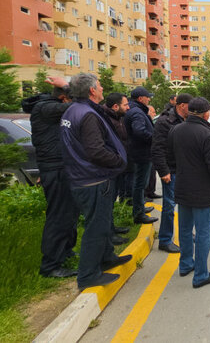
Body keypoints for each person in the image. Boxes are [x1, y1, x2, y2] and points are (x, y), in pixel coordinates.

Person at [60, 73, 132, 289]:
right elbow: (96, 151)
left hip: (82, 176)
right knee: (96, 227)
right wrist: (118, 160)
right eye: (99, 86)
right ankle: (88, 275)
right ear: (92, 90)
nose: (102, 89)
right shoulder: (87, 114)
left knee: (102, 222)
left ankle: (107, 257)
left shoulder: (73, 109)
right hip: (93, 179)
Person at [23, 76, 78, 279]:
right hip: (55, 169)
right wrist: (66, 85)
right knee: (59, 216)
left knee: (70, 213)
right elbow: (78, 105)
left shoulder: (51, 107)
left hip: (61, 166)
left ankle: (65, 252)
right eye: (69, 97)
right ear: (63, 98)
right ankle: (50, 265)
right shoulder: (45, 108)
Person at [167, 97, 210, 288]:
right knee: (203, 232)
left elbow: (170, 158)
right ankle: (200, 274)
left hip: (182, 186)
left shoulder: (176, 130)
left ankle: (185, 264)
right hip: (202, 191)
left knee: (184, 229)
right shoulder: (206, 134)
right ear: (206, 113)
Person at [151, 93, 193, 253]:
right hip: (171, 171)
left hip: (185, 170)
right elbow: (157, 149)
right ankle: (165, 240)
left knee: (187, 205)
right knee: (169, 206)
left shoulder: (186, 120)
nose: (192, 109)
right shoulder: (164, 122)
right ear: (182, 105)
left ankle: (186, 233)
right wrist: (163, 171)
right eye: (190, 106)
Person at [123, 87, 158, 225]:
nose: (149, 99)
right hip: (141, 153)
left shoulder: (134, 110)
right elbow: (139, 131)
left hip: (137, 152)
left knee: (139, 183)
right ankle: (139, 213)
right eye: (147, 97)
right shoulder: (137, 112)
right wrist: (154, 139)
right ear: (140, 98)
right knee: (140, 184)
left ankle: (140, 208)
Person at [103, 92, 132, 246]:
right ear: (115, 106)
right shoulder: (106, 120)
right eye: (125, 104)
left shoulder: (117, 118)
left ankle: (112, 228)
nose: (128, 107)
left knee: (111, 200)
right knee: (107, 202)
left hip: (118, 166)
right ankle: (109, 234)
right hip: (110, 168)